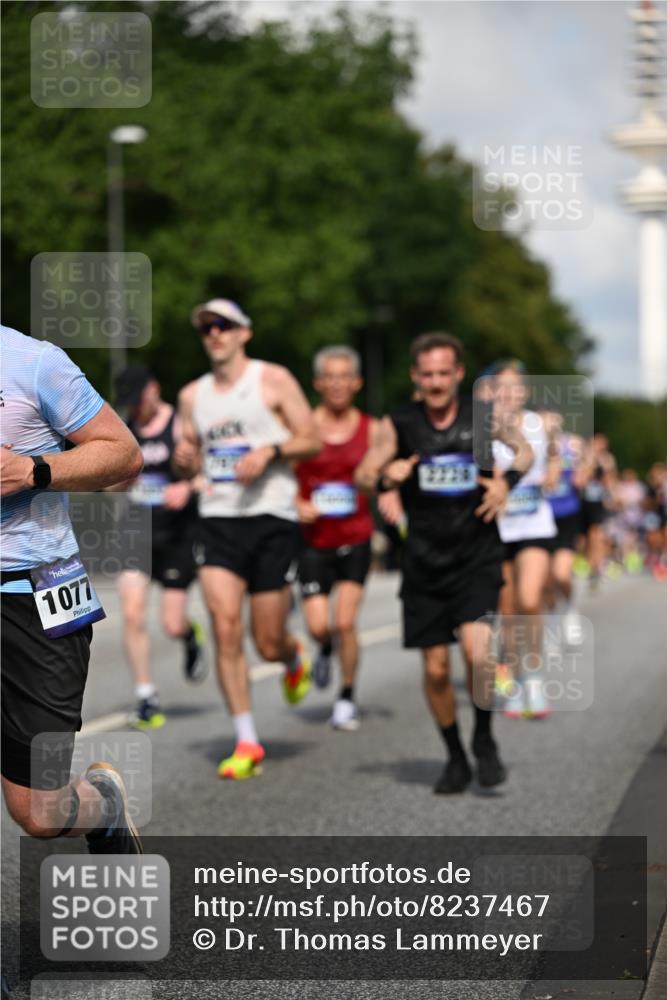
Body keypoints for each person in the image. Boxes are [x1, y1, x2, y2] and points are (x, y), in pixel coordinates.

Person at [356, 332, 533, 794]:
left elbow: (526, 452)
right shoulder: (400, 423)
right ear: (416, 376)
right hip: (423, 560)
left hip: (475, 552)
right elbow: (363, 473)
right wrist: (384, 477)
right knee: (436, 670)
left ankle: (484, 738)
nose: (435, 382)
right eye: (427, 374)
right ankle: (455, 755)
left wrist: (506, 483)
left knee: (478, 654)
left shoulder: (483, 417)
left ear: (458, 374)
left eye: (444, 373)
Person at [0, 324, 143, 854]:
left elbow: (123, 455)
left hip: (34, 594)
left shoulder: (34, 363)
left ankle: (102, 807)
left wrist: (33, 470)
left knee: (39, 812)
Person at [175, 299, 320, 779]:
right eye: (205, 329)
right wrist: (184, 458)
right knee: (223, 625)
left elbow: (312, 438)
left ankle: (291, 654)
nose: (214, 334)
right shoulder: (192, 396)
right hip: (218, 519)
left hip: (271, 516)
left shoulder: (273, 380)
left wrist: (271, 450)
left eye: (223, 326)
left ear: (244, 333)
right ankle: (247, 739)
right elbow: (188, 455)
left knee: (267, 639)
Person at [112, 364, 208, 730]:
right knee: (133, 613)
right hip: (136, 532)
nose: (136, 408)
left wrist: (188, 486)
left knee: (170, 623)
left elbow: (209, 471)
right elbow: (109, 486)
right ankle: (146, 695)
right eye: (130, 403)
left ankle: (189, 635)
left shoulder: (182, 425)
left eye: (139, 400)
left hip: (178, 535)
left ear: (154, 389)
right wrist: (121, 480)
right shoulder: (125, 431)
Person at [295, 346, 376, 730]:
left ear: (357, 383)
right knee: (318, 626)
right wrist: (297, 502)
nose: (338, 384)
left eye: (345, 376)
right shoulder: (304, 428)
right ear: (318, 383)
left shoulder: (372, 429)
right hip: (314, 541)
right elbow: (283, 479)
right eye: (330, 376)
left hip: (356, 537)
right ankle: (323, 648)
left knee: (345, 622)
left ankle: (346, 697)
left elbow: (383, 473)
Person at [490, 361, 558, 720]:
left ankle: (533, 676)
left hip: (534, 524)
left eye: (516, 387)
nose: (509, 394)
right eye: (502, 387)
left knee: (530, 601)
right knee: (509, 609)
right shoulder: (484, 427)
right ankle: (514, 681)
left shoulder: (538, 425)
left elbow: (556, 457)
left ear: (526, 392)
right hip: (499, 530)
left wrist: (552, 472)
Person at [539, 405, 587, 645]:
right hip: (540, 517)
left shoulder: (573, 444)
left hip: (567, 514)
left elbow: (586, 472)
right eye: (544, 417)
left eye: (552, 417)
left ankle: (569, 609)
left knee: (561, 573)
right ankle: (551, 622)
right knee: (544, 580)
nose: (549, 422)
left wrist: (582, 469)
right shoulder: (531, 443)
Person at [580, 433, 617, 589]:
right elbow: (579, 479)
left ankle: (597, 567)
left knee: (597, 535)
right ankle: (591, 564)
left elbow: (611, 480)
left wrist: (612, 496)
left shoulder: (607, 459)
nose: (600, 446)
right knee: (584, 539)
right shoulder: (583, 457)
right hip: (582, 502)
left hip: (598, 502)